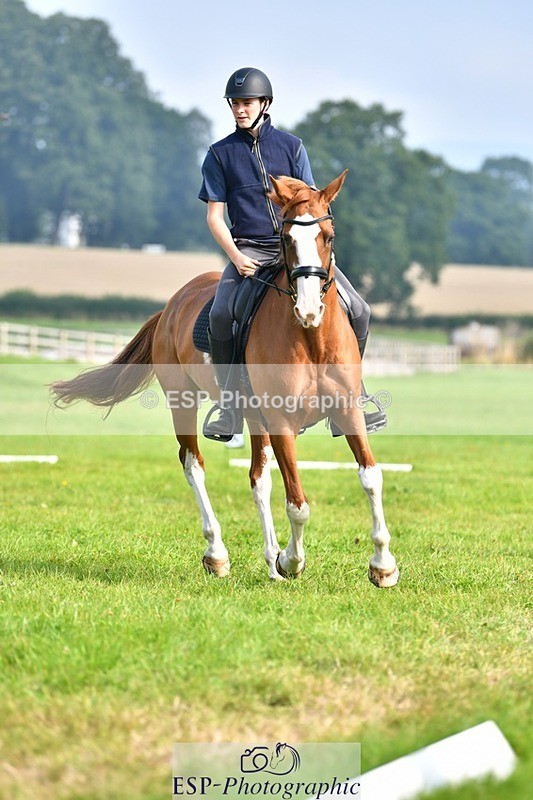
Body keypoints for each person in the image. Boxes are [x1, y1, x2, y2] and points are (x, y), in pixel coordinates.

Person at [198, 67, 386, 441]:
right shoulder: (219, 155)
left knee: (359, 310)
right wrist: (236, 257)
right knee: (220, 315)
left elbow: (314, 201)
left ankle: (353, 397)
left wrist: (309, 245)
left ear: (264, 104)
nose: (239, 109)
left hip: (297, 249)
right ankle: (230, 407)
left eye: (246, 102)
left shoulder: (291, 146)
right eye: (234, 104)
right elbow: (215, 217)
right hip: (250, 249)